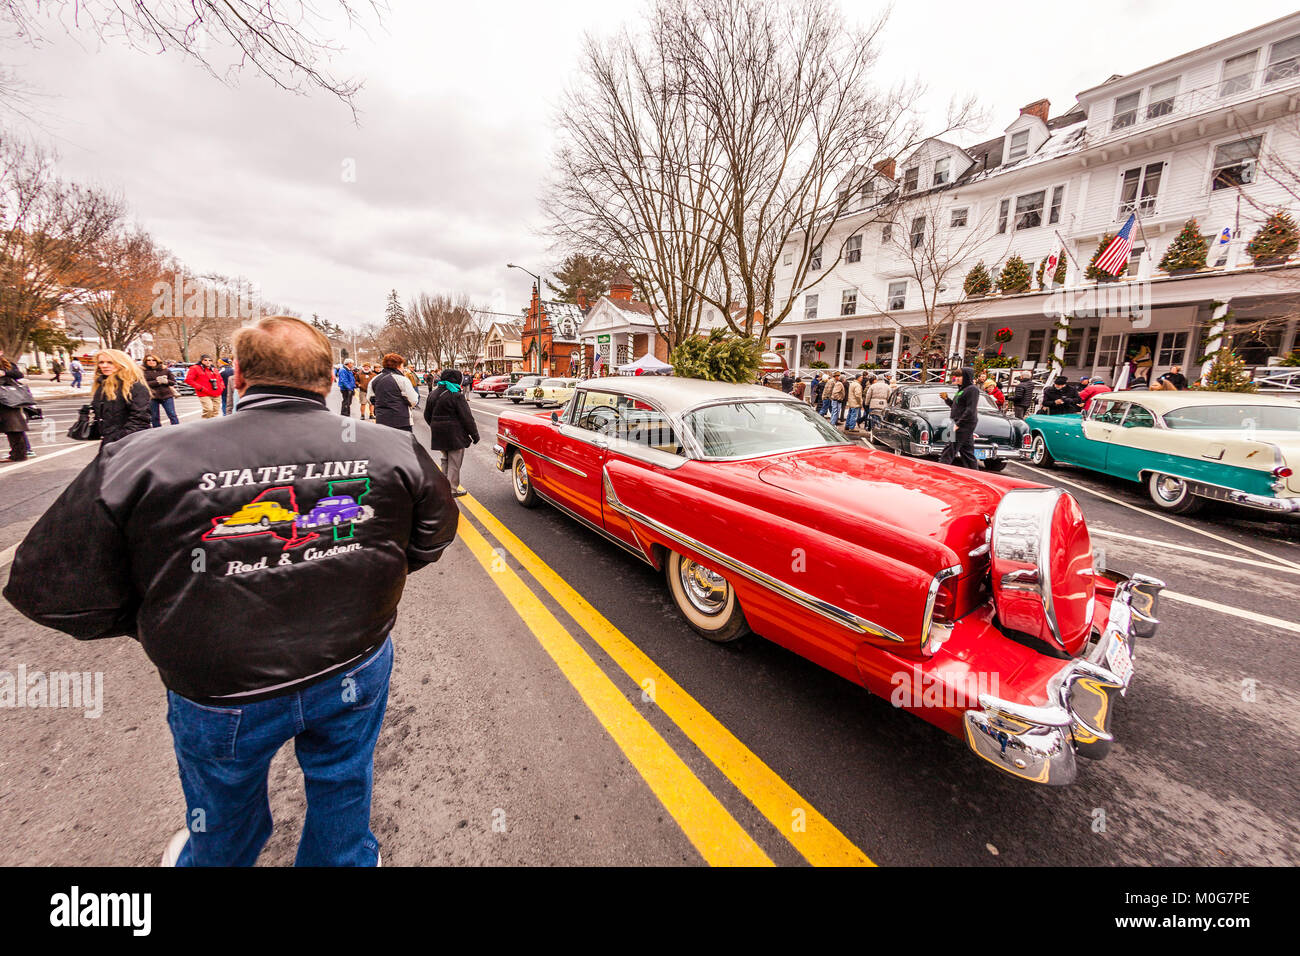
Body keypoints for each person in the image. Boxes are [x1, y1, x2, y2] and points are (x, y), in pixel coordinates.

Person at [4, 315, 458, 867]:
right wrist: (355, 572)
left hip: (219, 680)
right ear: (326, 379)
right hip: (351, 658)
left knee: (223, 808)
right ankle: (339, 859)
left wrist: (164, 618)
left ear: (238, 376)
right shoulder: (391, 447)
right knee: (343, 782)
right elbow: (430, 540)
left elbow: (53, 589)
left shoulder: (144, 456)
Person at [423, 369, 479, 497]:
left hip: (438, 432)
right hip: (454, 433)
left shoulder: (433, 393)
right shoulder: (456, 395)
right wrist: (474, 434)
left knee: (445, 459)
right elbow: (467, 417)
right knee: (454, 461)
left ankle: (444, 487)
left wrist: (435, 425)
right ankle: (452, 488)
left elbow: (427, 415)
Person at [92, 350, 152, 445]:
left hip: (129, 443)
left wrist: (118, 439)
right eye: (101, 362)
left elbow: (140, 421)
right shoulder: (102, 385)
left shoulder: (134, 387)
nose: (104, 365)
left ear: (122, 363)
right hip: (110, 441)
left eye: (110, 362)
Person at [938, 367, 981, 470]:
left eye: (959, 376)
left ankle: (940, 470)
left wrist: (959, 424)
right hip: (960, 422)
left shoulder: (972, 389)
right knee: (967, 452)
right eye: (955, 376)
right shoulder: (962, 390)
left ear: (966, 377)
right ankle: (975, 473)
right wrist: (947, 399)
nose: (956, 378)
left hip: (964, 424)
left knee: (950, 448)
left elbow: (970, 409)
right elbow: (956, 406)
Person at [368, 353, 420, 431]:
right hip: (402, 420)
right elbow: (413, 400)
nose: (403, 368)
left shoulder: (374, 380)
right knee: (403, 442)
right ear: (398, 366)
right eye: (402, 366)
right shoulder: (402, 379)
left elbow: (370, 399)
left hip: (382, 419)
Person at [1, 350, 31, 462]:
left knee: (14, 428)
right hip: (6, 399)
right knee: (13, 428)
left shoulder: (6, 363)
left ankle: (19, 454)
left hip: (8, 399)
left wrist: (4, 373)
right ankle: (18, 453)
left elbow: (19, 374)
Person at [142, 354, 181, 427]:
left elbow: (173, 382)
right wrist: (157, 382)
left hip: (167, 395)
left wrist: (166, 381)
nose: (151, 361)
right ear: (145, 361)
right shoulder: (142, 371)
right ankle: (157, 431)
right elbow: (143, 383)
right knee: (155, 416)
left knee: (172, 414)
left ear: (157, 361)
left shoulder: (165, 369)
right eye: (149, 360)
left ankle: (177, 429)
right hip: (152, 396)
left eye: (153, 360)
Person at [185, 354, 225, 419]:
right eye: (205, 360)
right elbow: (188, 380)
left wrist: (222, 387)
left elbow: (220, 379)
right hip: (204, 393)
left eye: (210, 360)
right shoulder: (195, 368)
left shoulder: (214, 369)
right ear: (201, 361)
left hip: (217, 393)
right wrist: (200, 388)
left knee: (215, 412)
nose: (208, 362)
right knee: (209, 409)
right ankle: (205, 424)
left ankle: (213, 426)